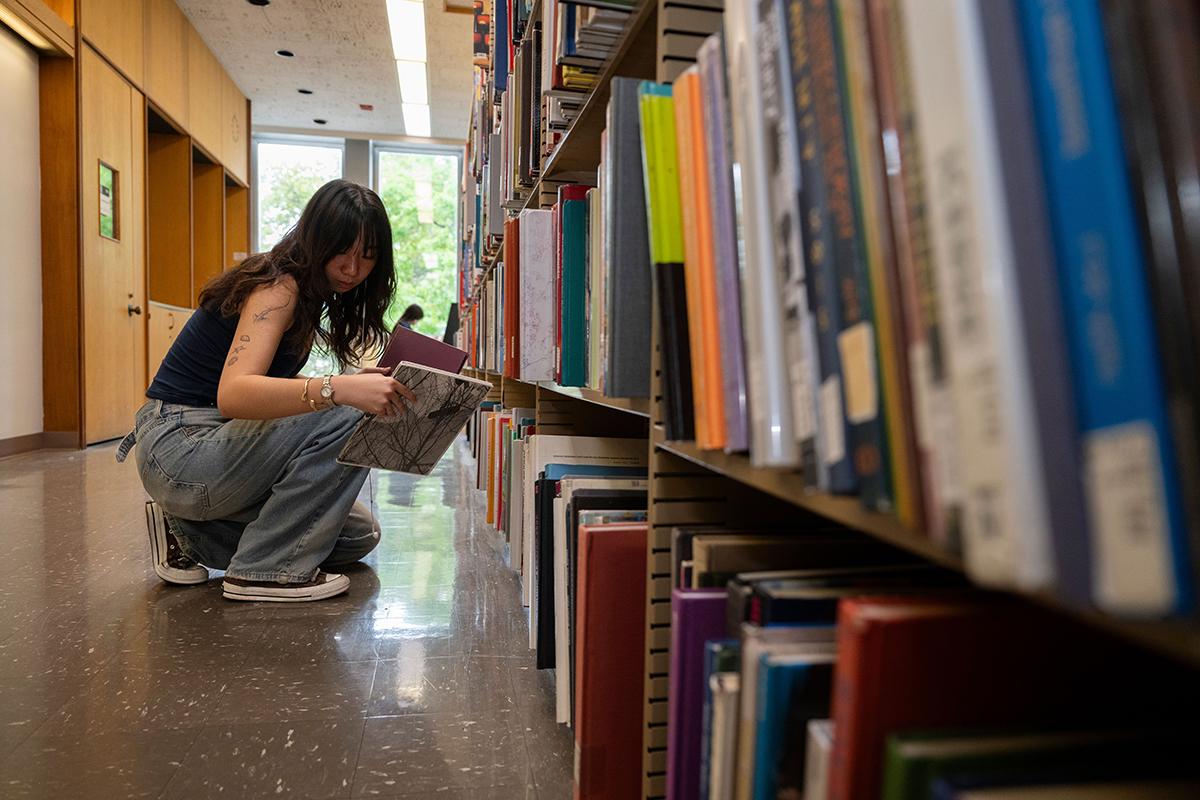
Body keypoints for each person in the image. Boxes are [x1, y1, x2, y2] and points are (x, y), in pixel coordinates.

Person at [116, 180, 415, 602]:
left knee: (355, 536)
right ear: (316, 241)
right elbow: (234, 395)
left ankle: (185, 532)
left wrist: (352, 382)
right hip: (181, 447)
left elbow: (265, 391)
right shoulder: (279, 286)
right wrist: (342, 389)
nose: (352, 269)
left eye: (367, 256)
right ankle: (264, 572)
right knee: (348, 409)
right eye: (342, 252)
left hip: (210, 447)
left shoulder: (309, 295)